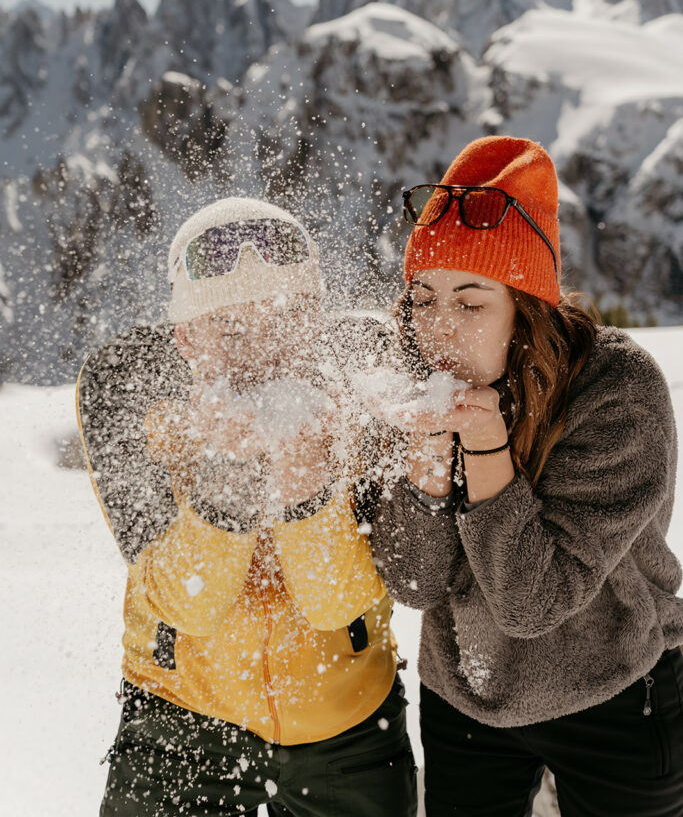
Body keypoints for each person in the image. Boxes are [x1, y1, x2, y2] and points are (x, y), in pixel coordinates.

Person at [368, 135, 683, 816]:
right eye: (422, 299)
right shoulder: (417, 379)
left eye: (470, 302)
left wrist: (483, 450)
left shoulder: (615, 389)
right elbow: (415, 584)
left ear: (526, 304)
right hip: (467, 696)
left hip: (614, 686)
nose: (437, 329)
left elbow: (532, 604)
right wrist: (426, 466)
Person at [77, 198, 417, 817]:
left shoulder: (359, 407)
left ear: (314, 318)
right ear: (185, 336)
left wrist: (305, 490)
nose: (260, 348)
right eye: (229, 328)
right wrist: (225, 490)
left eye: (282, 318)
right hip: (181, 717)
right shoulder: (143, 411)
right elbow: (188, 606)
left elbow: (338, 602)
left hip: (343, 717)